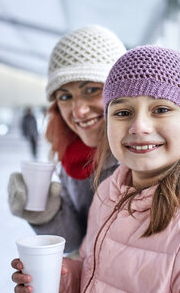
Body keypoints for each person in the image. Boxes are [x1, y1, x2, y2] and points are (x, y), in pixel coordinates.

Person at [11, 46, 180, 293]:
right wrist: (64, 283)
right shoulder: (108, 193)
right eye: (123, 113)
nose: (139, 127)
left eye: (160, 109)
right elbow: (105, 284)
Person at [8, 25, 126, 253]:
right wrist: (46, 213)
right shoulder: (73, 155)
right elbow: (75, 241)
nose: (78, 110)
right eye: (65, 96)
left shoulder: (144, 156)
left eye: (92, 89)